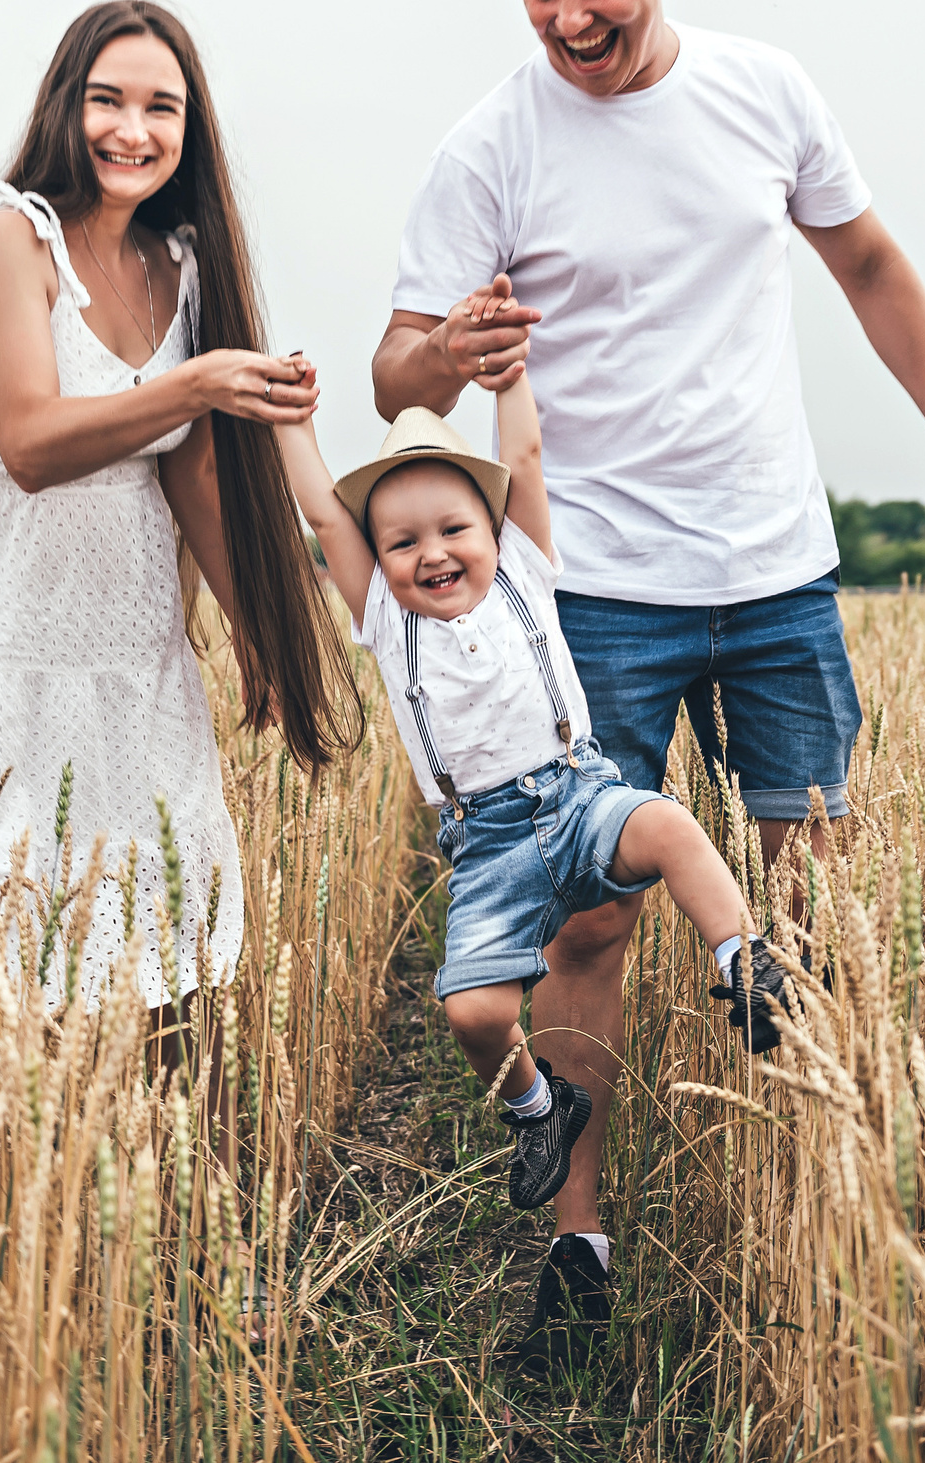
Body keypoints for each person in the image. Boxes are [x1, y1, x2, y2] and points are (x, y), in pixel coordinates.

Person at [371, 0, 925, 1359]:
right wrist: (453, 345)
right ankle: (578, 1254)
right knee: (590, 919)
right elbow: (397, 367)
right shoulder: (490, 148)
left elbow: (866, 260)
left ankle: (821, 1217)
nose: (572, 17)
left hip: (778, 569)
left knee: (809, 902)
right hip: (595, 592)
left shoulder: (763, 90)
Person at [273, 326, 793, 1373]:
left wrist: (510, 385)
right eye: (404, 540)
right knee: (474, 1008)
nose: (432, 553)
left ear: (493, 526)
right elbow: (324, 508)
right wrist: (295, 425)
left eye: (453, 526)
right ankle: (536, 1107)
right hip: (492, 845)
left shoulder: (529, 571)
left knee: (669, 828)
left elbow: (529, 464)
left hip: (578, 787)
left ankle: (743, 958)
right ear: (377, 563)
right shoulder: (382, 615)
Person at [0, 0, 361, 1018]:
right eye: (108, 100)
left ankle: (131, 1167)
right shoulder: (9, 241)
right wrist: (196, 385)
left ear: (190, 132)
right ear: (64, 107)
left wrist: (251, 631)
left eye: (161, 108)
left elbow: (192, 473)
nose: (133, 130)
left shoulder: (176, 264)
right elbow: (32, 445)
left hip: (123, 651)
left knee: (146, 944)